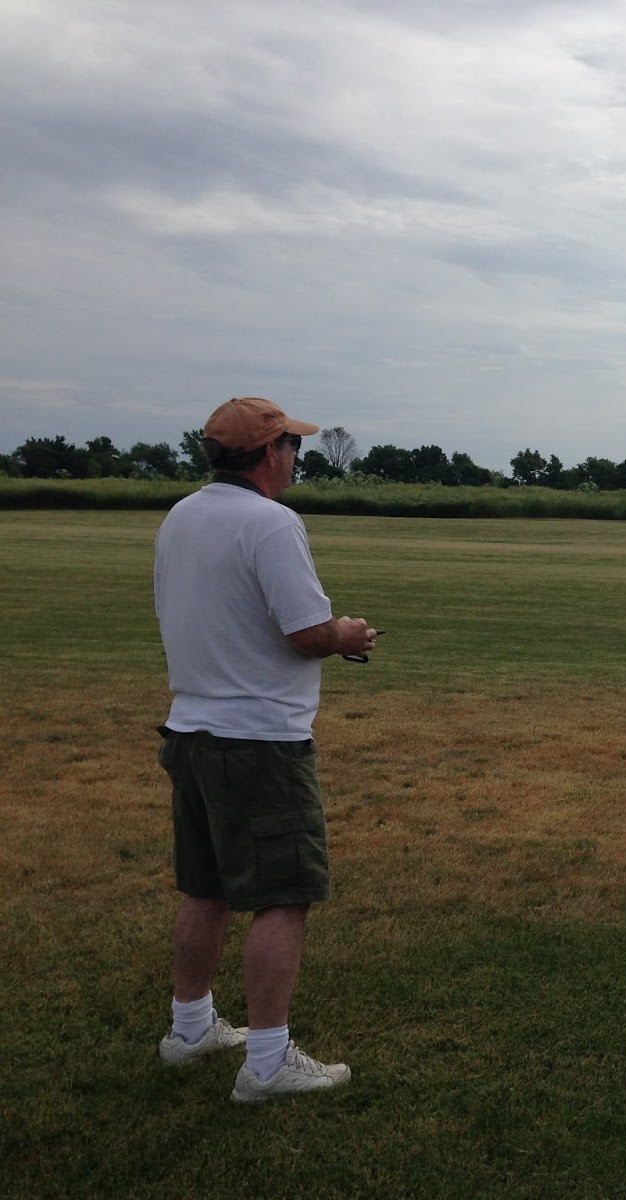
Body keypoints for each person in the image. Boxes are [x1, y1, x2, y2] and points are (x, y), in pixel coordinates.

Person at [153, 396, 377, 1103]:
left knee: (207, 885)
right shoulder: (272, 523)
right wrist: (349, 634)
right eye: (292, 449)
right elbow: (305, 631)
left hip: (189, 729)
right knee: (285, 894)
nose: (294, 461)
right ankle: (269, 1060)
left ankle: (189, 1028)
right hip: (258, 741)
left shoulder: (181, 516)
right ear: (269, 453)